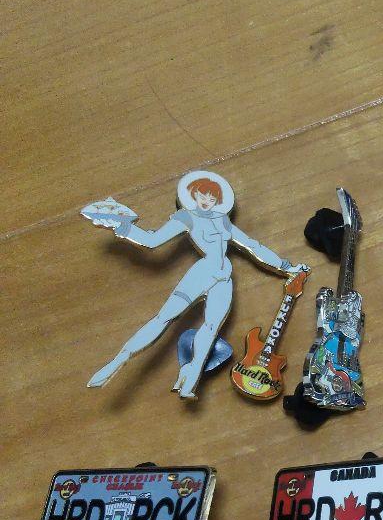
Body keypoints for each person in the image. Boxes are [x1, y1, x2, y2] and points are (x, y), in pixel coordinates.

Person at [86, 171, 302, 399]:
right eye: (203, 195)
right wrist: (123, 227)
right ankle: (118, 360)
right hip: (203, 272)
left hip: (223, 278)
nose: (207, 201)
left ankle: (190, 377)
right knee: (164, 318)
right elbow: (153, 241)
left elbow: (252, 245)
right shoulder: (186, 217)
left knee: (211, 328)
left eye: (212, 197)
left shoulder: (222, 220)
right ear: (193, 194)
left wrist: (287, 267)